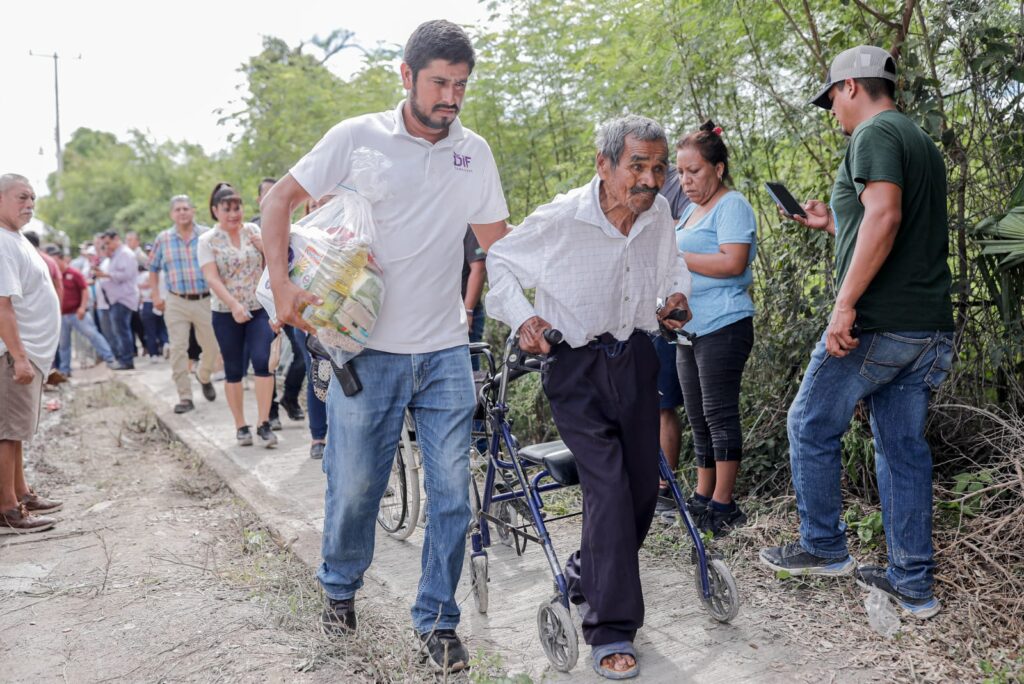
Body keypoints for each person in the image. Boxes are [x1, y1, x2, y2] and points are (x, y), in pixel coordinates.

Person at [260, 20, 509, 673]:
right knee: (357, 488)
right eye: (439, 83)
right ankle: (339, 589)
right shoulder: (356, 136)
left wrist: (538, 308)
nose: (451, 97)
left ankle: (437, 621)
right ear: (406, 76)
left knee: (453, 494)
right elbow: (280, 201)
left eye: (460, 85)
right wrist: (281, 284)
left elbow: (499, 243)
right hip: (363, 351)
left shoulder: (473, 152)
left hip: (445, 351)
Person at [487, 115, 692, 680]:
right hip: (574, 368)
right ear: (603, 166)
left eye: (658, 167)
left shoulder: (660, 214)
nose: (651, 179)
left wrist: (677, 293)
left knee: (641, 492)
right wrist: (524, 315)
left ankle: (584, 572)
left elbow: (672, 264)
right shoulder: (560, 218)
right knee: (604, 485)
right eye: (638, 167)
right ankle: (610, 628)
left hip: (636, 357)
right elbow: (498, 261)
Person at [759, 46, 955, 620]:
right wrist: (831, 220)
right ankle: (913, 583)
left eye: (831, 101)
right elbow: (888, 219)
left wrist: (844, 305)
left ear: (850, 87)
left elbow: (886, 217)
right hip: (926, 326)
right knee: (901, 450)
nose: (832, 113)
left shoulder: (871, 134)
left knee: (809, 422)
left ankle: (823, 547)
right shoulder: (918, 139)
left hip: (877, 321)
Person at [671, 120, 757, 536]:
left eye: (695, 171)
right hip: (689, 329)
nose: (686, 180)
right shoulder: (690, 210)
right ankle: (704, 494)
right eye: (681, 172)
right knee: (698, 417)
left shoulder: (732, 205)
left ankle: (724, 504)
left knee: (720, 415)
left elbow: (732, 262)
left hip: (725, 324)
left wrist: (679, 260)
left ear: (718, 169)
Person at [0, 174, 63, 534]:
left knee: (17, 430)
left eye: (33, 198)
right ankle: (7, 508)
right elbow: (3, 306)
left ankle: (20, 493)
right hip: (15, 354)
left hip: (29, 353)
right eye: (22, 197)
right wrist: (19, 356)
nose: (30, 204)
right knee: (7, 432)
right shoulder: (1, 241)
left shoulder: (16, 238)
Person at [199, 183, 277, 448]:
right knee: (234, 370)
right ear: (215, 211)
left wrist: (263, 246)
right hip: (225, 312)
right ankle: (240, 425)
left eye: (237, 208)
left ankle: (264, 423)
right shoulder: (208, 240)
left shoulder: (253, 231)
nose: (233, 214)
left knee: (263, 361)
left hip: (257, 308)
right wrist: (233, 304)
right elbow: (212, 278)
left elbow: (276, 261)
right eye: (227, 209)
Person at [149, 195, 219, 414]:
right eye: (178, 209)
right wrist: (155, 296)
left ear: (193, 211)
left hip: (205, 299)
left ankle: (204, 376)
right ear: (172, 214)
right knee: (178, 349)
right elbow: (153, 267)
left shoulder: (207, 235)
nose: (182, 212)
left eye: (186, 208)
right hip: (176, 301)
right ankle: (185, 396)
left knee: (212, 347)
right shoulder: (164, 238)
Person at [652, 165, 690, 519]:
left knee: (664, 404)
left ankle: (665, 487)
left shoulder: (677, 187)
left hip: (665, 313)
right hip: (630, 318)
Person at [254, 177, 306, 430]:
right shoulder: (253, 228)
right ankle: (270, 412)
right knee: (268, 356)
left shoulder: (294, 226)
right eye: (268, 194)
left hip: (289, 299)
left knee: (301, 354)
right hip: (263, 302)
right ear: (259, 199)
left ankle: (290, 397)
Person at [56, 249, 118, 374]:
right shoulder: (55, 276)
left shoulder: (74, 273)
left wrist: (82, 307)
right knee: (64, 344)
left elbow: (85, 289)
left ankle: (110, 359)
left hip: (77, 313)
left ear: (61, 259)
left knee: (93, 335)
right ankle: (65, 370)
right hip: (62, 315)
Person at [97, 230, 141, 370]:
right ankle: (123, 359)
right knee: (119, 331)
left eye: (108, 243)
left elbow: (126, 275)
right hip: (115, 298)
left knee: (122, 331)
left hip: (124, 297)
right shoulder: (116, 255)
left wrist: (106, 275)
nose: (107, 246)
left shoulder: (125, 254)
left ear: (116, 239)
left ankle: (127, 361)